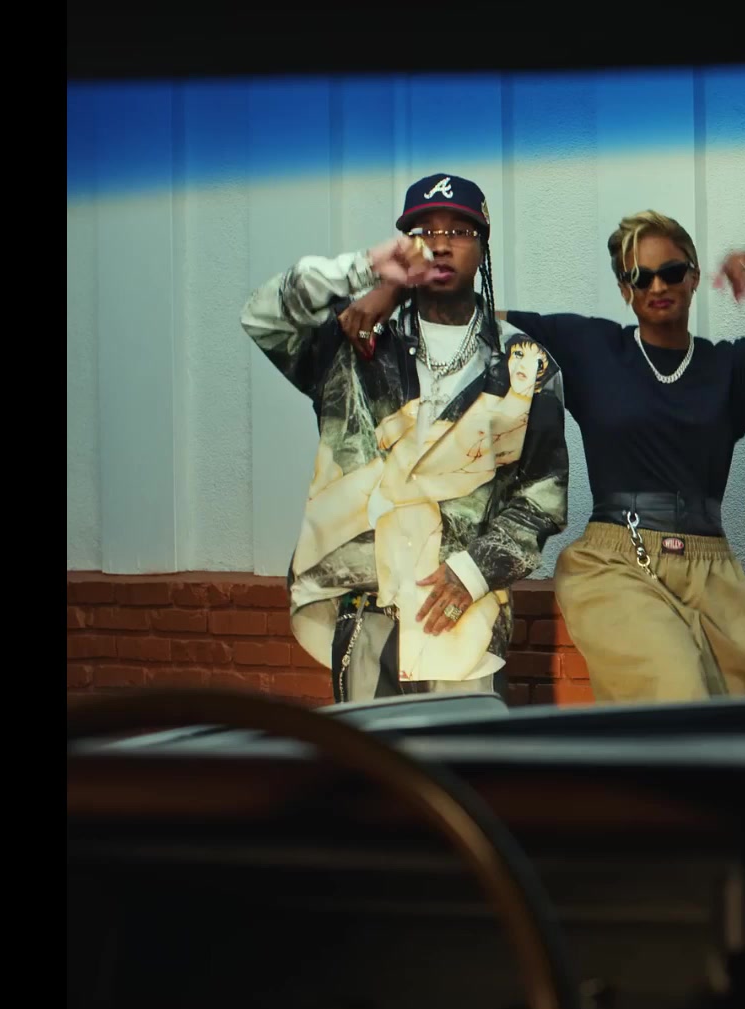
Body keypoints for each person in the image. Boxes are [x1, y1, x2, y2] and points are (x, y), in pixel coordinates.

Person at [345, 209, 745, 703]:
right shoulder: (592, 347)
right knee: (677, 692)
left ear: (694, 277)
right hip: (618, 560)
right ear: (624, 289)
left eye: (671, 272)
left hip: (713, 569)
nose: (657, 286)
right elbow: (473, 320)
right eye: (639, 277)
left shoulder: (730, 366)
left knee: (730, 723)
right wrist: (395, 291)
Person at [240, 173, 569, 703]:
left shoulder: (524, 366)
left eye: (459, 231)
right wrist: (370, 269)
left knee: (465, 757)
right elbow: (263, 315)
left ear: (483, 247)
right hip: (365, 616)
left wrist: (474, 571)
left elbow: (542, 497)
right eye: (424, 232)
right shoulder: (354, 343)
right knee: (373, 758)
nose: (441, 243)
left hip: (464, 622)